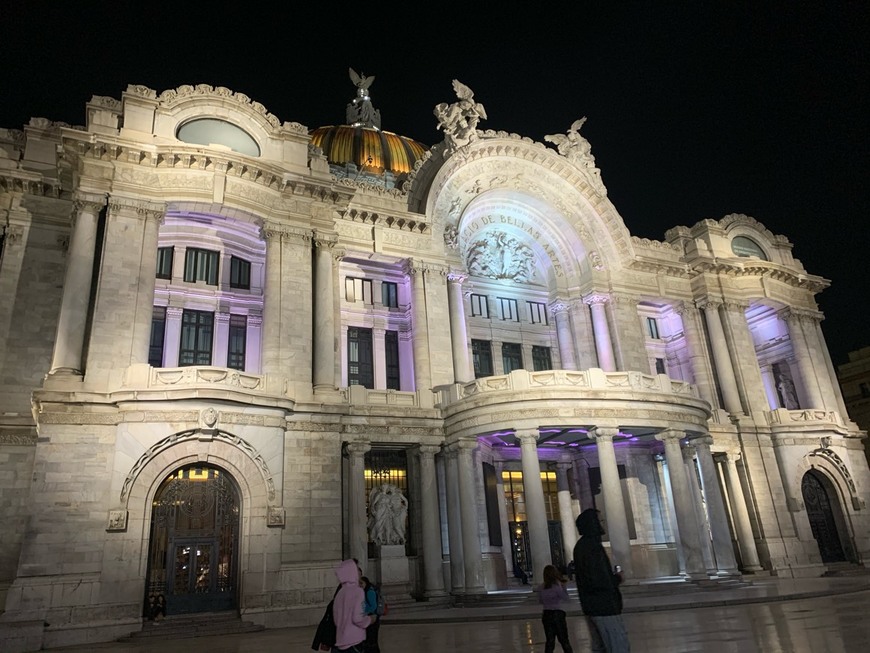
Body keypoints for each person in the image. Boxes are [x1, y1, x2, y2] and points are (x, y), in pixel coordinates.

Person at [573, 509, 631, 652]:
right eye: (600, 521)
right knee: (618, 645)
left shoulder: (581, 546)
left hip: (591, 606)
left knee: (600, 647)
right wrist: (617, 578)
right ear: (592, 524)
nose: (602, 524)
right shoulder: (592, 547)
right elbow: (598, 579)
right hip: (604, 606)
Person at [331, 559, 375, 653]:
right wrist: (370, 619)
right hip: (354, 641)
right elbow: (358, 618)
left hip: (340, 640)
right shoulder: (358, 591)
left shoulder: (340, 592)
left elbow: (336, 620)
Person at [538, 564, 574, 653]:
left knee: (550, 641)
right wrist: (564, 587)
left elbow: (540, 601)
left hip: (546, 614)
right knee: (564, 640)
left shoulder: (541, 587)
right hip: (557, 613)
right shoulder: (557, 586)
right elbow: (566, 598)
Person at [360, 576, 381, 653]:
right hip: (368, 618)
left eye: (361, 583)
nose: (360, 585)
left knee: (371, 641)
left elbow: (373, 606)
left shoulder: (369, 592)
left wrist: (365, 613)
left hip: (372, 618)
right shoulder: (365, 591)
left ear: (366, 583)